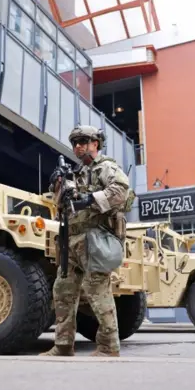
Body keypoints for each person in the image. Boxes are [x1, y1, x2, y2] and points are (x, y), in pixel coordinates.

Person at [40, 125, 131, 357]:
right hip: (72, 239)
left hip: (96, 237)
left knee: (96, 289)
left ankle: (109, 346)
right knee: (63, 290)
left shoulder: (106, 167)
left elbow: (121, 190)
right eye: (75, 142)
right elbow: (60, 205)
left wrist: (89, 199)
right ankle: (62, 345)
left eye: (83, 141)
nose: (78, 146)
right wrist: (57, 186)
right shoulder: (76, 174)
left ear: (95, 144)